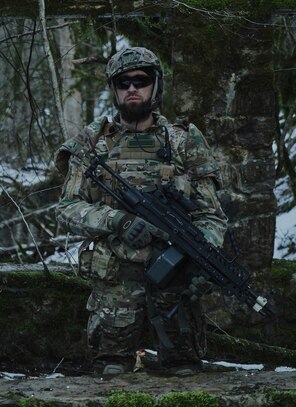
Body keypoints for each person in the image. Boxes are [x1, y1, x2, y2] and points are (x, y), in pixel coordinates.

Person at [54, 47, 228, 376]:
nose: (132, 88)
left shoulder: (184, 141)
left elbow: (211, 215)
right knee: (111, 375)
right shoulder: (91, 143)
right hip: (115, 291)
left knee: (185, 378)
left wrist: (202, 255)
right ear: (114, 89)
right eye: (123, 82)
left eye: (141, 80)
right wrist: (116, 220)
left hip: (176, 290)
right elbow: (66, 209)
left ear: (155, 85)